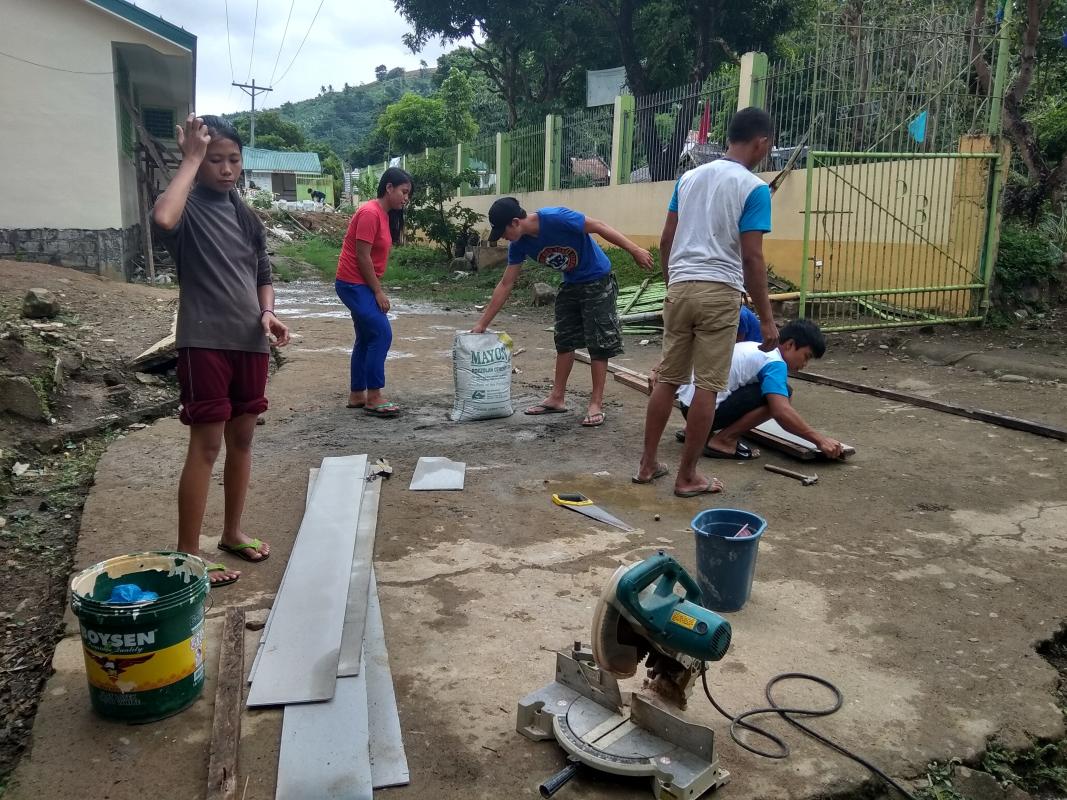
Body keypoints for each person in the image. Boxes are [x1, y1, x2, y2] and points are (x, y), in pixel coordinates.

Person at [152, 114, 291, 587]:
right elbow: (162, 218)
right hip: (204, 341)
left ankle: (232, 532)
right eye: (215, 160)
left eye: (233, 159)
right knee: (206, 445)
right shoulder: (186, 207)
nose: (226, 169)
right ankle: (189, 555)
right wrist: (189, 158)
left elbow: (262, 273)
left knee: (243, 441)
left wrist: (267, 312)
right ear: (198, 160)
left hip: (250, 343)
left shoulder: (245, 214)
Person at [634, 107, 779, 496]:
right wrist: (766, 319)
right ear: (760, 142)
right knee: (708, 387)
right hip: (719, 292)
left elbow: (666, 239)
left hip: (679, 288)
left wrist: (673, 280)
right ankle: (687, 477)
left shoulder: (688, 178)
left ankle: (647, 465)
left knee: (667, 379)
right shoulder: (755, 188)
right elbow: (752, 257)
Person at [472, 198, 655, 427]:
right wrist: (482, 324)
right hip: (571, 283)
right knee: (564, 339)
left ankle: (596, 403)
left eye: (503, 231)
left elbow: (598, 226)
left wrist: (634, 249)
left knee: (598, 341)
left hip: (597, 278)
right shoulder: (519, 245)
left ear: (516, 222)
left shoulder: (555, 217)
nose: (503, 237)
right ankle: (557, 398)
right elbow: (506, 284)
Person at [675, 319, 845, 460]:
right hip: (706, 412)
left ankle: (693, 430)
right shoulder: (775, 362)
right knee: (783, 394)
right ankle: (724, 440)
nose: (805, 364)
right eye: (806, 356)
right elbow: (781, 412)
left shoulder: (756, 347)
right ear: (790, 344)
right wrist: (820, 440)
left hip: (689, 408)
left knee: (767, 390)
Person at [335, 167, 412, 418]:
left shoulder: (382, 214)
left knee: (366, 337)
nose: (405, 198)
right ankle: (374, 396)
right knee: (381, 333)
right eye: (403, 192)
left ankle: (357, 394)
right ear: (388, 188)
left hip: (359, 284)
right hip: (353, 284)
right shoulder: (370, 212)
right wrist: (378, 292)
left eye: (408, 194)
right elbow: (362, 256)